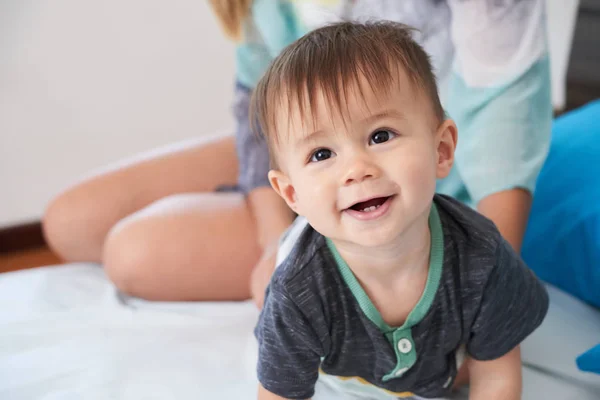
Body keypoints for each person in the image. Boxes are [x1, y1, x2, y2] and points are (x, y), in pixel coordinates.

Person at [42, 0, 552, 306]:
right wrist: (274, 246)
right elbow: (256, 107)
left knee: (130, 253)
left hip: (406, 165)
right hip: (304, 148)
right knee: (70, 220)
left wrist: (486, 284)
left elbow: (503, 101)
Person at [252, 21, 549, 400]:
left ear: (441, 150)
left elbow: (496, 377)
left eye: (381, 136)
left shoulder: (483, 256)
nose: (357, 169)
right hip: (331, 372)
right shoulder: (297, 290)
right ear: (292, 193)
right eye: (321, 154)